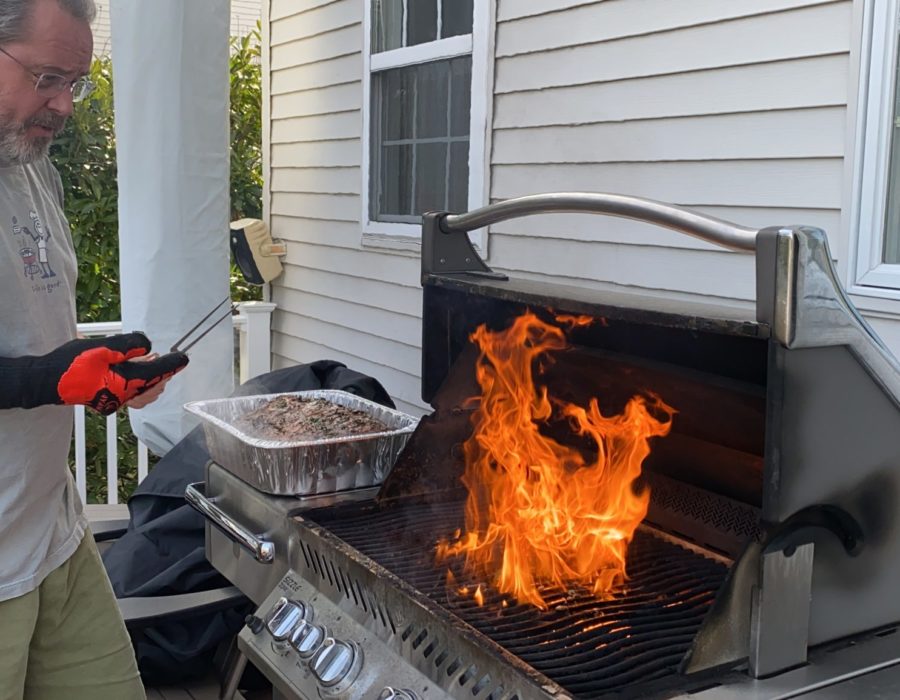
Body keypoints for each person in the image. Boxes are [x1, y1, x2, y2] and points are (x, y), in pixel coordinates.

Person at [0, 1, 188, 699]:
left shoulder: (29, 165)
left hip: (53, 527)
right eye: (47, 76)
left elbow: (33, 334)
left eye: (74, 82)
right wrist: (47, 381)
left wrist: (97, 363)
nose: (64, 104)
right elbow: (36, 373)